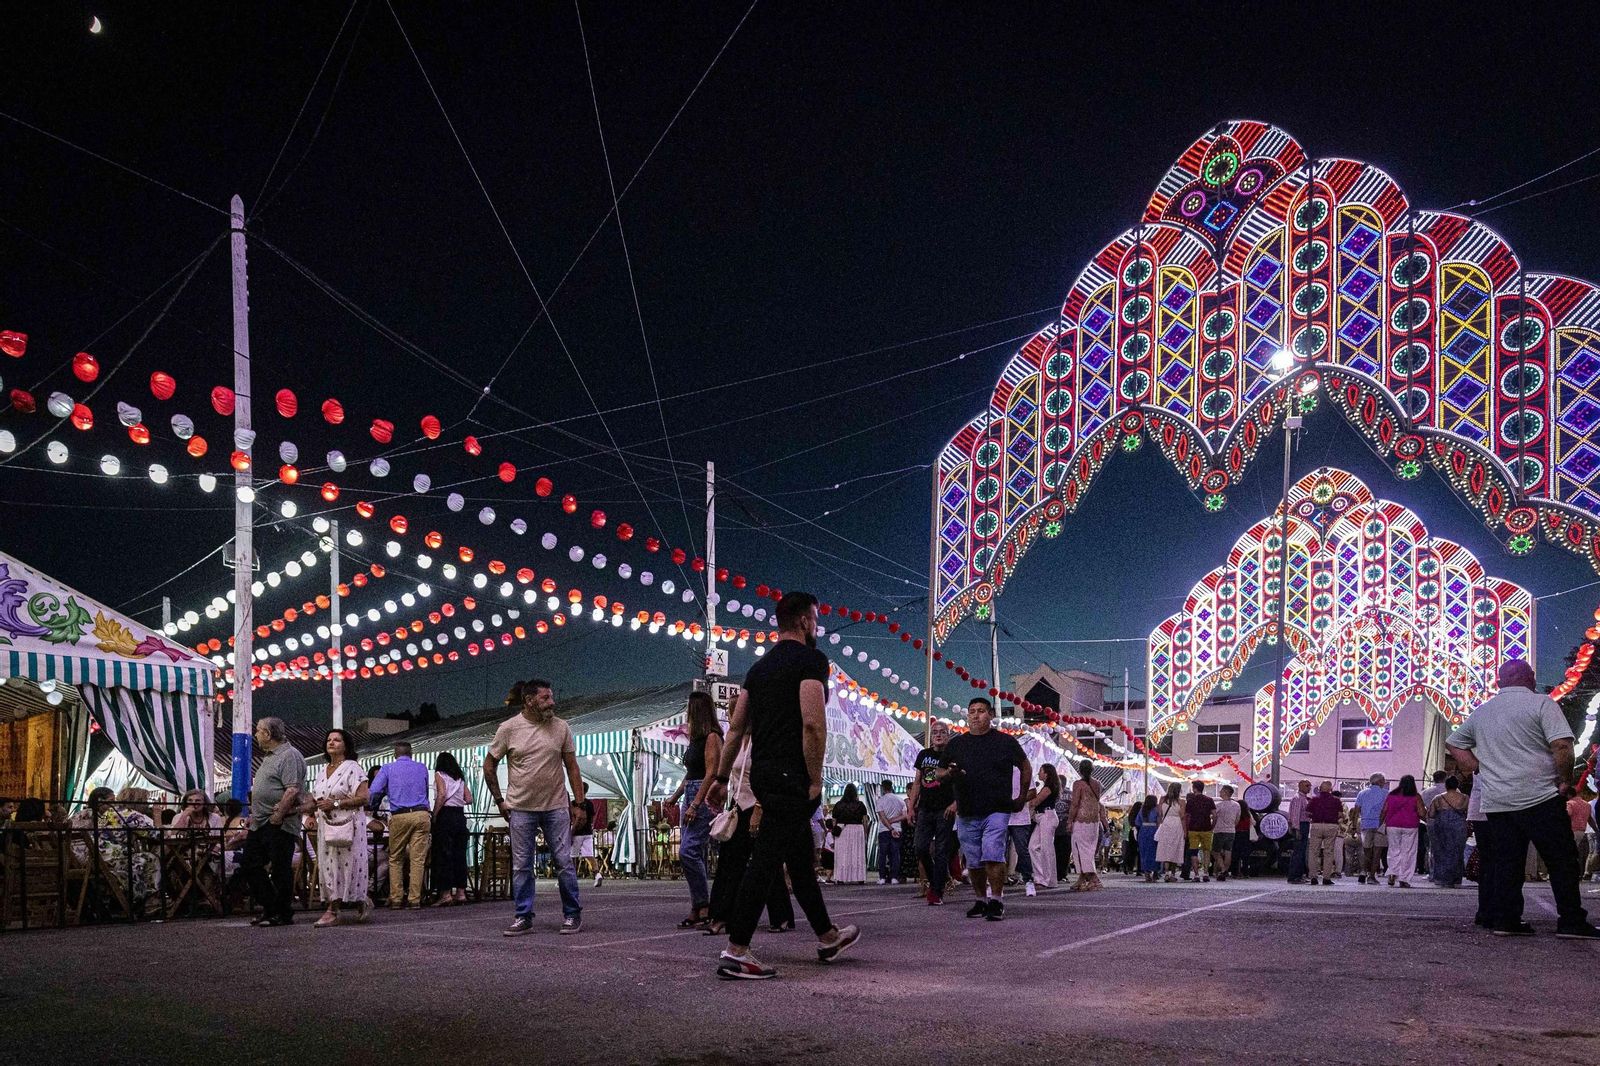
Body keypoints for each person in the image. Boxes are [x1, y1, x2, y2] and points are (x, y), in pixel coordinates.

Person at [704, 591, 859, 980]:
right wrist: (816, 777)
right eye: (816, 619)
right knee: (768, 860)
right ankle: (737, 949)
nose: (817, 626)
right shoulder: (811, 660)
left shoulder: (758, 669)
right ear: (806, 621)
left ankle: (827, 936)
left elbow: (736, 728)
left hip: (763, 773)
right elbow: (812, 723)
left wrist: (722, 778)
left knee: (799, 858)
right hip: (793, 775)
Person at [1447, 659, 1599, 938]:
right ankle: (1571, 920)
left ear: (1499, 682)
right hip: (1540, 796)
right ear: (1530, 678)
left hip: (1498, 801)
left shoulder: (1482, 712)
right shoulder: (1542, 704)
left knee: (1507, 862)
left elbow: (1454, 743)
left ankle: (1506, 919)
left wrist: (1478, 766)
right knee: (1562, 860)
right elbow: (1563, 745)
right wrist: (1564, 781)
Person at [484, 679, 587, 936]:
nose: (552, 702)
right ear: (529, 700)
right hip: (521, 808)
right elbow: (489, 765)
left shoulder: (561, 727)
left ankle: (572, 915)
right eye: (545, 698)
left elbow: (572, 766)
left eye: (551, 697)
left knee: (564, 861)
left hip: (556, 805)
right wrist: (499, 800)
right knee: (521, 865)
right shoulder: (508, 729)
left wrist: (579, 803)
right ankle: (523, 916)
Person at [939, 696, 1030, 921]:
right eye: (972, 711)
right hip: (967, 810)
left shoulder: (1005, 742)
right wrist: (950, 773)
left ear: (990, 715)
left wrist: (1021, 796)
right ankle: (981, 899)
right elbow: (938, 773)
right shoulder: (957, 744)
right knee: (974, 860)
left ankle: (997, 900)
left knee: (993, 852)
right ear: (967, 716)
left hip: (997, 808)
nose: (976, 715)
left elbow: (1025, 766)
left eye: (981, 711)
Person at [705, 734, 795, 936]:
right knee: (729, 862)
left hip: (759, 805)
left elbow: (770, 777)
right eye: (729, 708)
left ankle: (781, 915)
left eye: (736, 708)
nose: (732, 713)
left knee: (766, 862)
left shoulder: (762, 739)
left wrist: (759, 807)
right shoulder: (734, 740)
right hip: (738, 807)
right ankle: (720, 915)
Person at [240, 717, 308, 927]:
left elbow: (292, 789)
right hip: (260, 821)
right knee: (250, 863)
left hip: (279, 822)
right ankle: (271, 907)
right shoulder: (269, 757)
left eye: (259, 731)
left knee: (280, 868)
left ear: (269, 735)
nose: (256, 735)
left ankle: (282, 912)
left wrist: (278, 817)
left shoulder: (289, 755)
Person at [665, 691, 723, 927]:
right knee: (694, 853)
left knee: (687, 852)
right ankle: (697, 906)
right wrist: (675, 797)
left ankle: (704, 904)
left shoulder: (712, 737)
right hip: (690, 792)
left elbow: (711, 773)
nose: (686, 713)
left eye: (689, 708)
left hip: (703, 795)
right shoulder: (696, 739)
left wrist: (696, 804)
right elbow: (690, 774)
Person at [311, 728, 371, 927]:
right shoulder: (321, 771)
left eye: (337, 740)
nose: (332, 743)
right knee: (328, 865)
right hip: (326, 825)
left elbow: (363, 798)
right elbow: (316, 798)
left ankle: (335, 908)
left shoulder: (352, 767)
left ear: (345, 745)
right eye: (329, 739)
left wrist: (336, 804)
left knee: (348, 863)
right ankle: (345, 903)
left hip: (348, 824)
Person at [71, 786, 162, 914]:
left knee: (141, 858)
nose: (147, 805)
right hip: (110, 859)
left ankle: (128, 900)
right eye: (146, 802)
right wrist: (157, 814)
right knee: (150, 859)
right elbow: (158, 835)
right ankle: (145, 901)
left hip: (92, 858)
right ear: (138, 801)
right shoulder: (131, 815)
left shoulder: (108, 813)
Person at [368, 741, 431, 910]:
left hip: (399, 815)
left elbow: (374, 791)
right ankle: (414, 899)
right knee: (418, 859)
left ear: (395, 754)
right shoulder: (422, 767)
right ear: (411, 753)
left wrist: (373, 805)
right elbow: (425, 791)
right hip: (421, 813)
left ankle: (396, 898)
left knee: (395, 858)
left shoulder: (388, 768)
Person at [908, 719, 957, 905]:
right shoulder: (924, 755)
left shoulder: (953, 756)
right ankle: (937, 880)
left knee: (942, 851)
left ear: (948, 735)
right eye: (935, 732)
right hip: (926, 809)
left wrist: (955, 804)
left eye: (942, 732)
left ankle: (936, 892)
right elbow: (917, 783)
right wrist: (911, 807)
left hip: (945, 810)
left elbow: (962, 783)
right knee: (920, 847)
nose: (938, 735)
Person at [430, 752, 472, 905]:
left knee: (444, 854)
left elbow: (441, 794)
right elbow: (469, 798)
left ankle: (446, 894)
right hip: (460, 817)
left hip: (446, 816)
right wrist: (457, 799)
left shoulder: (439, 774)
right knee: (459, 854)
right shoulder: (460, 779)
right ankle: (461, 893)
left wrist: (435, 814)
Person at [1065, 759, 1105, 892]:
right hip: (1094, 821)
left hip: (1081, 820)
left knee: (1081, 849)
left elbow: (1075, 803)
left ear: (1080, 770)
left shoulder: (1078, 784)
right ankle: (1082, 879)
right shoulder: (1097, 784)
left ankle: (1094, 879)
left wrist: (1070, 821)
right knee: (1089, 849)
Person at [1379, 775, 1424, 888]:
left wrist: (1380, 824)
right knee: (1408, 852)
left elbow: (1384, 810)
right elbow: (1422, 812)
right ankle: (1404, 879)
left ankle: (1392, 873)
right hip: (1410, 826)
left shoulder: (1392, 795)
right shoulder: (1416, 796)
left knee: (1394, 850)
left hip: (1392, 825)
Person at [1427, 776, 1469, 888]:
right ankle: (1454, 879)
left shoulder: (1438, 798)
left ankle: (1441, 878)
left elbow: (1430, 814)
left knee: (1441, 851)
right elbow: (1468, 813)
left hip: (1441, 825)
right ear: (1457, 785)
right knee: (1457, 851)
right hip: (1459, 826)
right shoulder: (1465, 798)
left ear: (1446, 785)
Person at [1028, 764, 1061, 889]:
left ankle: (1048, 879)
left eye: (1041, 771)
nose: (1038, 774)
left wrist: (1030, 795)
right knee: (1033, 846)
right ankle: (1041, 877)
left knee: (1047, 849)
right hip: (1042, 817)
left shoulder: (1048, 787)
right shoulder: (1047, 787)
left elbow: (1036, 801)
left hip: (1047, 816)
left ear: (1046, 773)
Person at [1006, 767, 1037, 895]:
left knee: (1021, 849)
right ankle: (994, 883)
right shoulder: (997, 768)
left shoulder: (1022, 770)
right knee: (997, 850)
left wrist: (1019, 801)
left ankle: (1028, 880)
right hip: (1001, 816)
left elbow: (1033, 792)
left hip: (1019, 817)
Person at [830, 784, 869, 884]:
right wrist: (865, 832)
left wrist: (835, 832)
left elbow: (834, 820)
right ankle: (859, 877)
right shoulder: (860, 805)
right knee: (857, 854)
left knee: (842, 854)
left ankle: (841, 877)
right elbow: (865, 820)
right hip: (857, 829)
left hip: (843, 829)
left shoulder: (838, 804)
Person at [1354, 774, 1389, 884]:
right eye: (1383, 781)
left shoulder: (1362, 793)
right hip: (1380, 825)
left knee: (1366, 850)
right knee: (1377, 852)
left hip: (1366, 824)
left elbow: (1356, 811)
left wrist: (1354, 826)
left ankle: (1363, 872)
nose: (1384, 783)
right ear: (1379, 782)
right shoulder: (1386, 794)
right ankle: (1372, 876)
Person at [1306, 781, 1343, 885]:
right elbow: (1340, 814)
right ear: (1330, 789)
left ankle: (1313, 877)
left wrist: (1315, 816)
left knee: (1313, 852)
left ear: (1320, 789)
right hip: (1331, 826)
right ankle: (1326, 878)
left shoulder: (1314, 799)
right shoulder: (1336, 800)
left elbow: (1307, 813)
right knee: (1329, 852)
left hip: (1317, 825)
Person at [875, 780, 906, 885]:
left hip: (884, 830)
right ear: (892, 787)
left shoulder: (880, 801)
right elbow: (904, 815)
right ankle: (894, 877)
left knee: (883, 854)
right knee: (895, 854)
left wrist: (889, 826)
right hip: (897, 829)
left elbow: (882, 817)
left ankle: (882, 877)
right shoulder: (900, 800)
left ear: (883, 788)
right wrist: (894, 822)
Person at [1153, 783, 1186, 881]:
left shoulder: (1162, 799)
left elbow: (1159, 814)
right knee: (1176, 848)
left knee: (1166, 847)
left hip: (1166, 823)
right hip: (1177, 824)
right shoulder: (1181, 801)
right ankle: (1173, 874)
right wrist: (1185, 830)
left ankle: (1166, 872)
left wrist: (1159, 825)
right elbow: (1183, 816)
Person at [1183, 781, 1215, 882]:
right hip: (1206, 828)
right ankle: (1205, 873)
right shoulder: (1209, 800)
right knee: (1206, 851)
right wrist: (1212, 826)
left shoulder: (1191, 800)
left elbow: (1187, 815)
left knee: (1193, 852)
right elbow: (1215, 815)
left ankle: (1196, 875)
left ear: (1195, 789)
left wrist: (1186, 829)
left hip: (1193, 829)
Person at [1210, 784, 1241, 882]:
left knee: (1215, 852)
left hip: (1219, 830)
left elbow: (1213, 816)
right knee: (1228, 851)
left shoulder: (1219, 805)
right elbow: (1237, 819)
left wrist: (1212, 826)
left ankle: (1223, 868)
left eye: (1221, 791)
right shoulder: (1237, 805)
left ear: (1225, 792)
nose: (1220, 792)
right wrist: (1232, 826)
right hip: (1231, 831)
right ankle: (1225, 870)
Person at [1286, 780, 1313, 884]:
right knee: (1298, 852)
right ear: (1300, 786)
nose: (1309, 788)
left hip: (1304, 825)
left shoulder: (1303, 798)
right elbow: (1295, 815)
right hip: (1301, 826)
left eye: (1309, 786)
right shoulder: (1298, 798)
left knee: (1301, 852)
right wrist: (1297, 829)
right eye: (1307, 786)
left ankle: (1299, 875)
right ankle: (1293, 876)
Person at [1134, 794, 1159, 881]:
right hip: (1154, 831)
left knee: (1144, 852)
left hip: (1144, 831)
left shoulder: (1142, 810)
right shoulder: (1157, 810)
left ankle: (1146, 872)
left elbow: (1137, 823)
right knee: (1155, 852)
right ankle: (1156, 871)